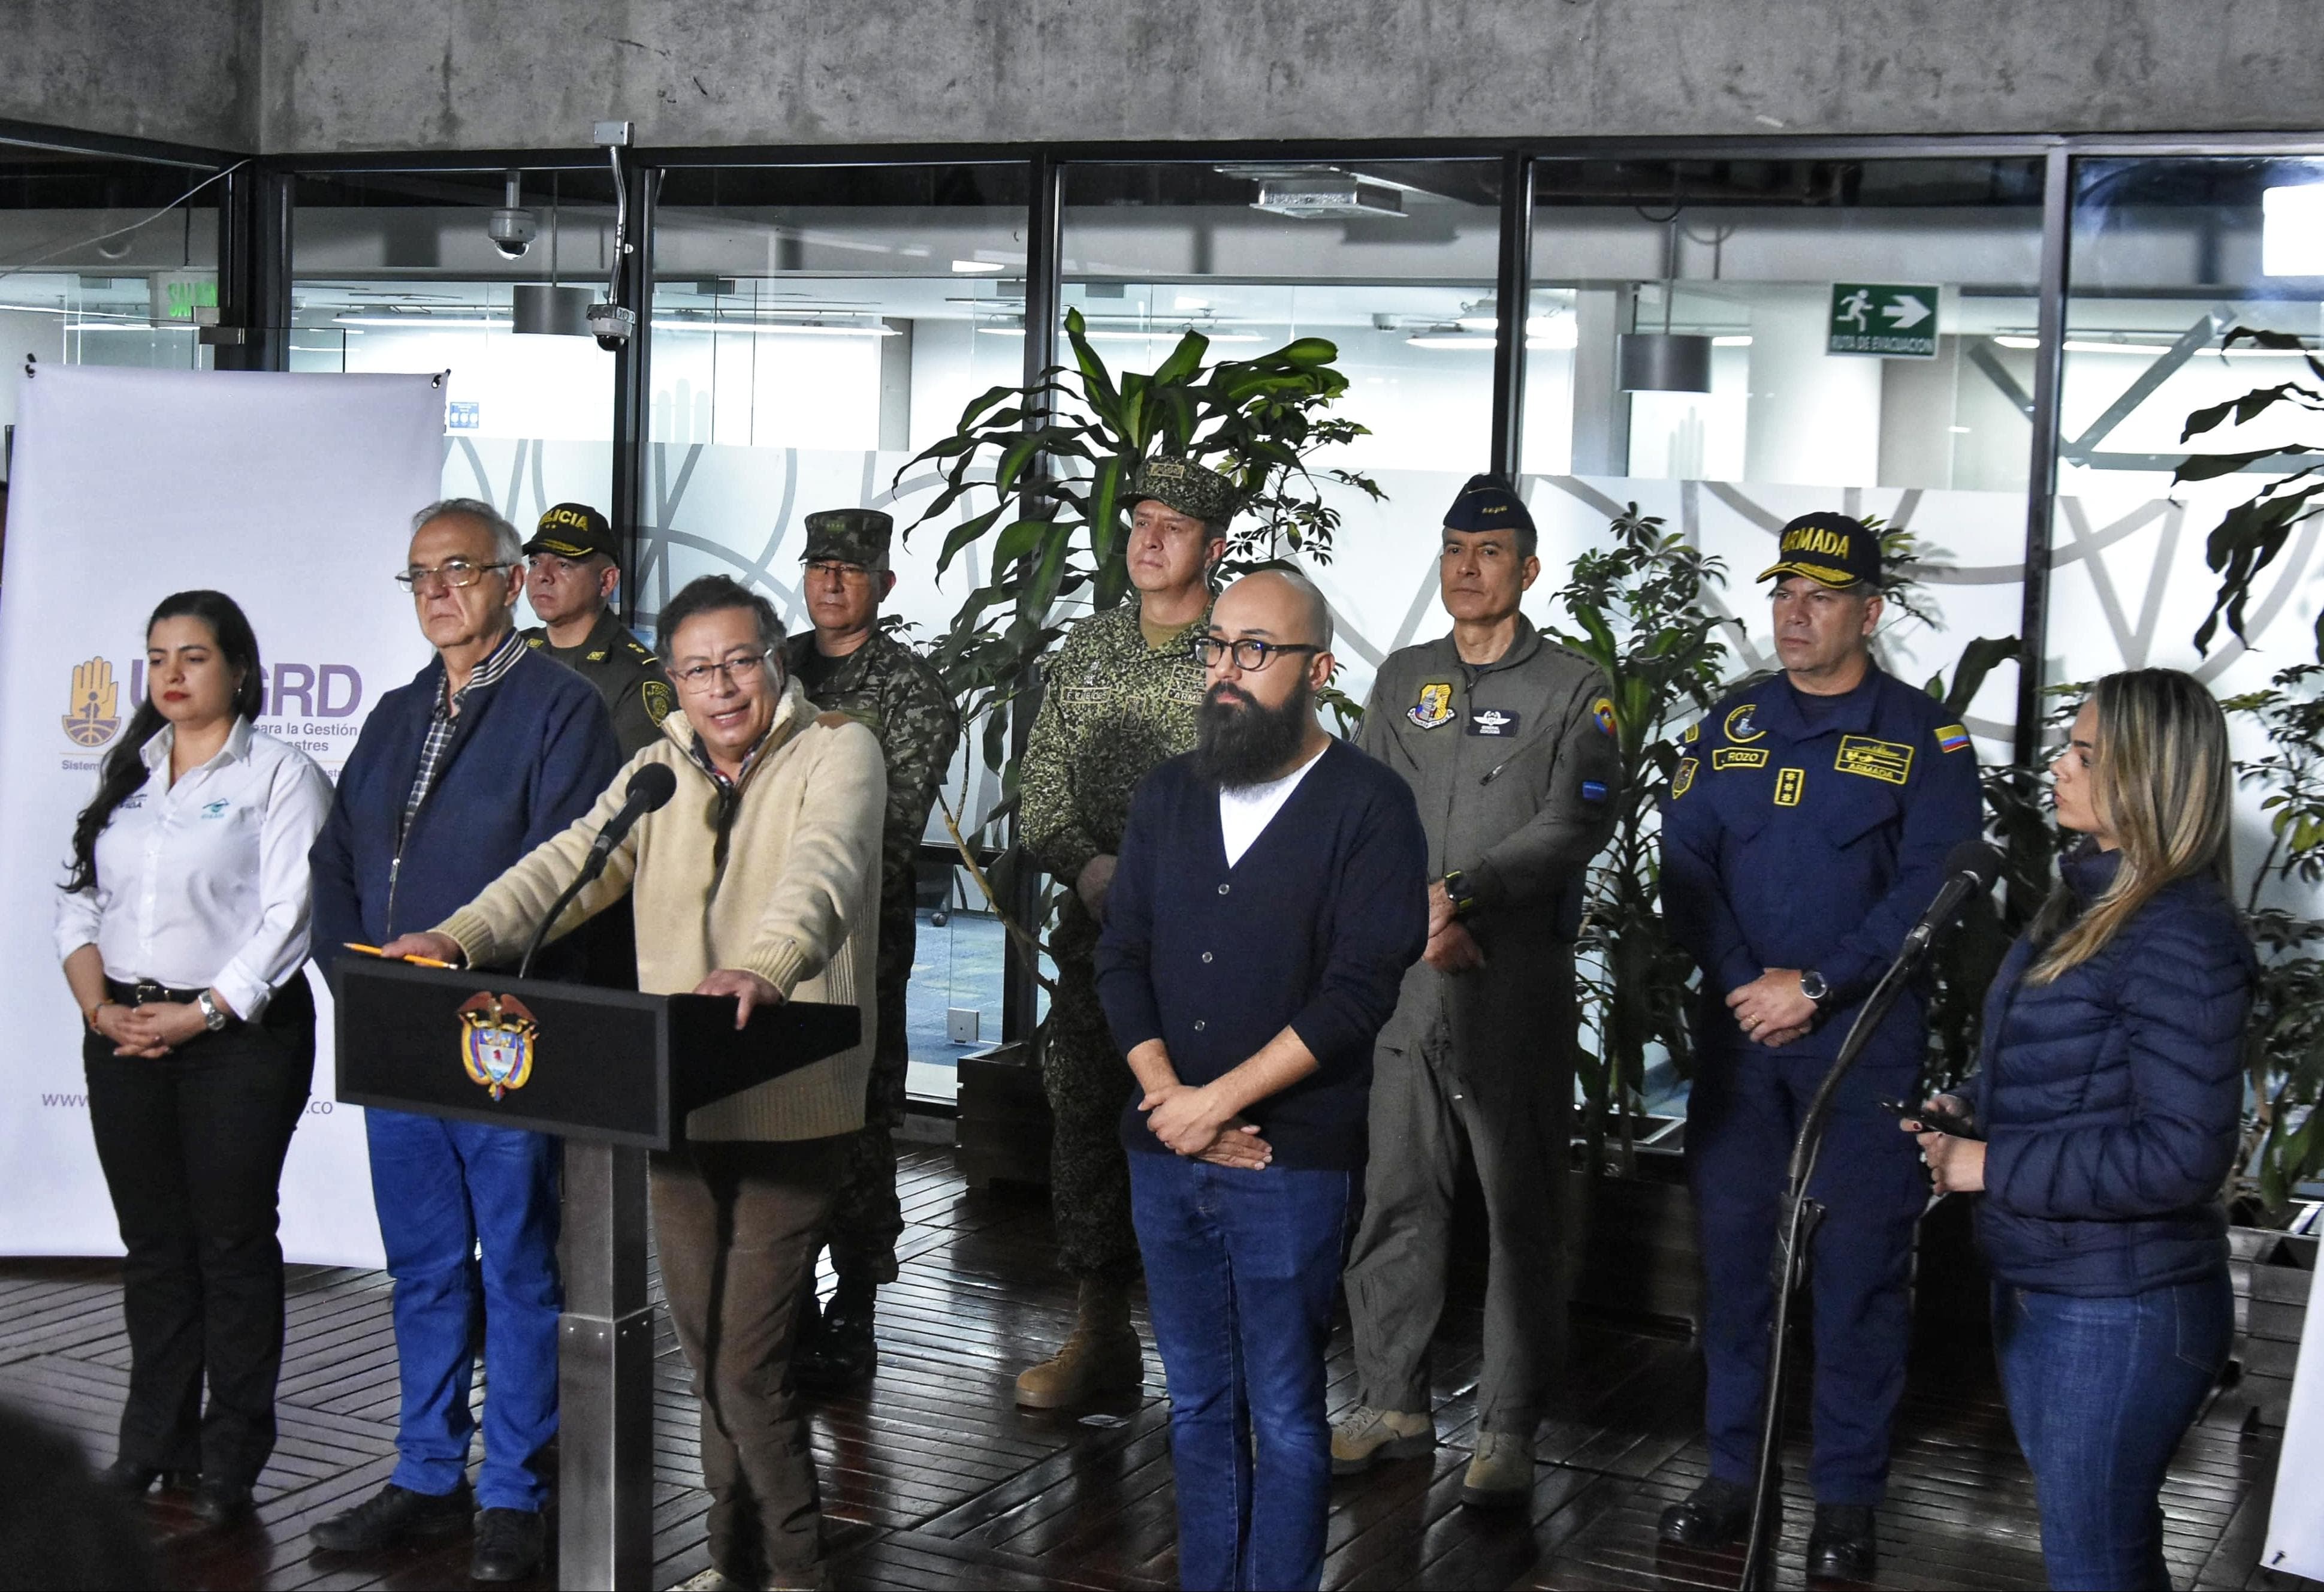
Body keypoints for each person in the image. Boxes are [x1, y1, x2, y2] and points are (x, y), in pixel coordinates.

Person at [384, 574, 885, 1592]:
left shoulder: (839, 750)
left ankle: (797, 1572)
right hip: (673, 1101)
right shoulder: (655, 774)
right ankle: (728, 1562)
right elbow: (563, 863)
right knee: (706, 1365)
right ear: (673, 683)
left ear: (773, 663)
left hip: (793, 1101)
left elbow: (823, 871)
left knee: (745, 1366)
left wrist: (769, 962)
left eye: (740, 660)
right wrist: (457, 937)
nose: (722, 686)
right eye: (698, 669)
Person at [1656, 512, 1982, 1581]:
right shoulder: (1730, 723)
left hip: (1864, 1045)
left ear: (1869, 612)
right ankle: (1731, 1474)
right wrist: (1749, 981)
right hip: (1742, 1040)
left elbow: (1929, 887)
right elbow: (1687, 866)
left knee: (1857, 1277)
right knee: (1737, 1265)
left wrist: (1819, 984)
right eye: (1782, 593)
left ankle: (1845, 1498)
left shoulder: (1924, 739)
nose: (1792, 615)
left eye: (1821, 598)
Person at [307, 498, 620, 1584]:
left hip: (502, 1034)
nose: (437, 591)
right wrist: (357, 981)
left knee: (521, 1267)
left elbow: (559, 871)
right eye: (419, 576)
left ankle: (512, 1492)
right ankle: (427, 1473)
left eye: (458, 569)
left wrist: (458, 970)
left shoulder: (559, 709)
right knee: (426, 1266)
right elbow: (336, 860)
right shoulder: (394, 712)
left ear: (506, 580)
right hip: (396, 1034)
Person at [1096, 569, 1427, 1591]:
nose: (1226, 671)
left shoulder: (1370, 806)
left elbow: (1355, 994)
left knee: (1284, 1413)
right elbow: (1120, 957)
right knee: (1194, 1403)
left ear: (1317, 670)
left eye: (1255, 651)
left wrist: (1216, 1105)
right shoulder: (1168, 794)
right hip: (1164, 1150)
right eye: (1216, 647)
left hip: (1289, 1162)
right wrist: (1172, 1102)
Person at [1914, 670, 2250, 1592]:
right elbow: (2057, 1066)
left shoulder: (2178, 931)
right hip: (2056, 1280)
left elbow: (2183, 1152)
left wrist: (1991, 1163)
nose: (2058, 767)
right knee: (2097, 1548)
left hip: (2121, 1306)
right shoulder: (2089, 900)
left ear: (2147, 775)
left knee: (2093, 1562)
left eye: (2086, 755)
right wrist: (1967, 1107)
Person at [1333, 475, 1623, 1506]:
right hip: (1409, 984)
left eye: (1488, 551)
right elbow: (1358, 806)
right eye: (1453, 547)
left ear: (1527, 569)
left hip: (1513, 984)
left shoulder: (1575, 686)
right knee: (1396, 1192)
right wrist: (1405, 919)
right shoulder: (1403, 676)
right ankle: (1391, 1403)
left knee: (1519, 1209)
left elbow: (1574, 822)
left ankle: (1504, 1429)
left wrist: (1460, 895)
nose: (1465, 566)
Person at [52, 590, 334, 1530]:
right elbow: (81, 904)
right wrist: (102, 1008)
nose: (171, 676)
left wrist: (202, 1013)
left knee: (232, 1246)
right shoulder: (127, 772)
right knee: (157, 1250)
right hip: (125, 1036)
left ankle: (231, 1456)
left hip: (238, 1043)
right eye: (158, 657)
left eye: (194, 657)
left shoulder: (280, 775)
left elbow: (289, 918)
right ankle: (152, 1442)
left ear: (240, 670)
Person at [1014, 456, 1236, 1409]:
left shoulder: (1244, 649)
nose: (1146, 540)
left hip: (1219, 945)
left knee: (1213, 1132)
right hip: (1099, 940)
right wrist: (1087, 865)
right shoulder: (1089, 649)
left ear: (1213, 548)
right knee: (1086, 1122)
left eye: (1172, 527)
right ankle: (1099, 1334)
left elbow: (1276, 792)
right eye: (1140, 520)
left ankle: (1216, 1358)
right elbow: (1039, 795)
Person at [778, 508, 960, 1391]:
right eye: (818, 565)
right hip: (758, 929)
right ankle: (788, 1303)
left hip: (858, 938)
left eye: (850, 570)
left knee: (856, 1118)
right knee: (769, 1111)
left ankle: (855, 1302)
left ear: (883, 585)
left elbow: (885, 836)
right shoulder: (770, 669)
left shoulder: (912, 692)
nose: (830, 582)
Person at [518, 500, 675, 758]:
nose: (543, 576)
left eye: (563, 565)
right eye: (535, 563)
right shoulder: (515, 652)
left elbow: (629, 787)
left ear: (607, 580)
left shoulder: (636, 677)